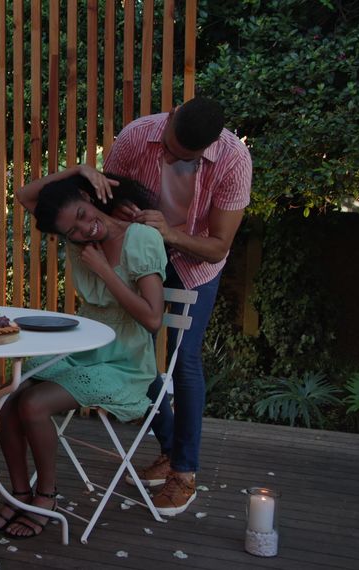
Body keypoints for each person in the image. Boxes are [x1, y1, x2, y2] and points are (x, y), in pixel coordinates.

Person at [0, 171, 166, 539]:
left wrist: (104, 271)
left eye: (82, 214)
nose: (83, 230)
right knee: (4, 398)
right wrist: (79, 170)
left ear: (89, 197)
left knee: (33, 404)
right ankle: (19, 495)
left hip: (124, 362)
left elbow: (153, 319)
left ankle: (46, 496)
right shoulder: (76, 240)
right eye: (72, 232)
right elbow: (24, 195)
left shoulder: (140, 238)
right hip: (84, 350)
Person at [87, 97, 253, 516]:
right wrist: (118, 208)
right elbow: (105, 196)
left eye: (183, 157)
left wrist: (170, 233)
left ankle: (185, 471)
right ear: (173, 112)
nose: (170, 156)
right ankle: (168, 447)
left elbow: (218, 247)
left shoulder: (234, 161)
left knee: (185, 361)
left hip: (195, 264)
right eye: (169, 146)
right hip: (140, 260)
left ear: (207, 148)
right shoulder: (135, 135)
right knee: (131, 352)